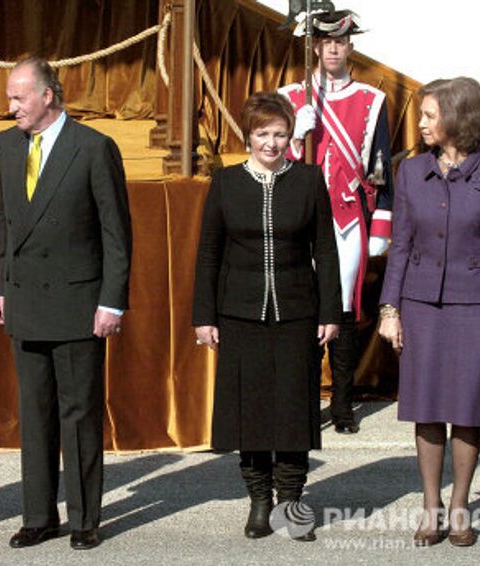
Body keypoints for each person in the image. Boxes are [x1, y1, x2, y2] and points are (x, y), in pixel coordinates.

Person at [0, 56, 131, 551]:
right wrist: (0, 287)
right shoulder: (7, 146)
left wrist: (112, 301)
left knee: (79, 415)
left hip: (77, 305)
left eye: (18, 97)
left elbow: (116, 233)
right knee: (35, 415)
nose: (11, 109)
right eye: (10, 98)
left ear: (48, 95)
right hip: (26, 301)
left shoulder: (93, 148)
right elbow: (4, 223)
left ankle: (85, 517)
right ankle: (38, 515)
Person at [192, 92, 341, 540]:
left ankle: (291, 504)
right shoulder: (226, 182)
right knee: (251, 412)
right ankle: (259, 502)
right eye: (262, 134)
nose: (272, 143)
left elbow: (326, 251)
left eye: (279, 134)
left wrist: (330, 311)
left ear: (290, 135)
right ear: (248, 135)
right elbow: (208, 253)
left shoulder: (309, 180)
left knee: (294, 412)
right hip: (239, 313)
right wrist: (205, 316)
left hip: (298, 311)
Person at [378, 77, 480, 547]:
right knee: (425, 407)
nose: (420, 123)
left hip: (477, 307)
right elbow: (399, 246)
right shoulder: (410, 172)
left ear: (459, 118)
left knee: (465, 409)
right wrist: (390, 309)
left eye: (430, 115)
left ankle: (459, 504)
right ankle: (430, 506)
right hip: (420, 305)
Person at [278, 10, 394, 433]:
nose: (332, 49)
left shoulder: (371, 100)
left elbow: (381, 165)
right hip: (300, 221)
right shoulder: (290, 98)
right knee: (304, 310)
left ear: (350, 47)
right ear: (314, 45)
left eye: (340, 42)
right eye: (325, 41)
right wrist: (294, 137)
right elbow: (272, 164)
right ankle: (307, 403)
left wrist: (382, 223)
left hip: (347, 219)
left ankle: (342, 404)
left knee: (342, 311)